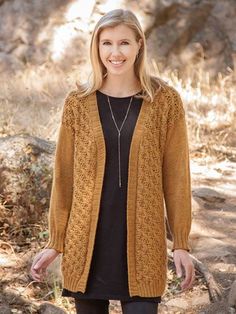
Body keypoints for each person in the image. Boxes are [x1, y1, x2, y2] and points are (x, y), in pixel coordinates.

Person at [30, 8, 195, 314]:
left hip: (142, 244)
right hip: (88, 246)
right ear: (96, 47)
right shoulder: (77, 102)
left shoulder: (164, 101)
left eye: (124, 43)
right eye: (106, 43)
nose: (115, 52)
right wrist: (55, 242)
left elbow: (177, 178)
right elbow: (64, 177)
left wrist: (181, 243)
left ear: (139, 46)